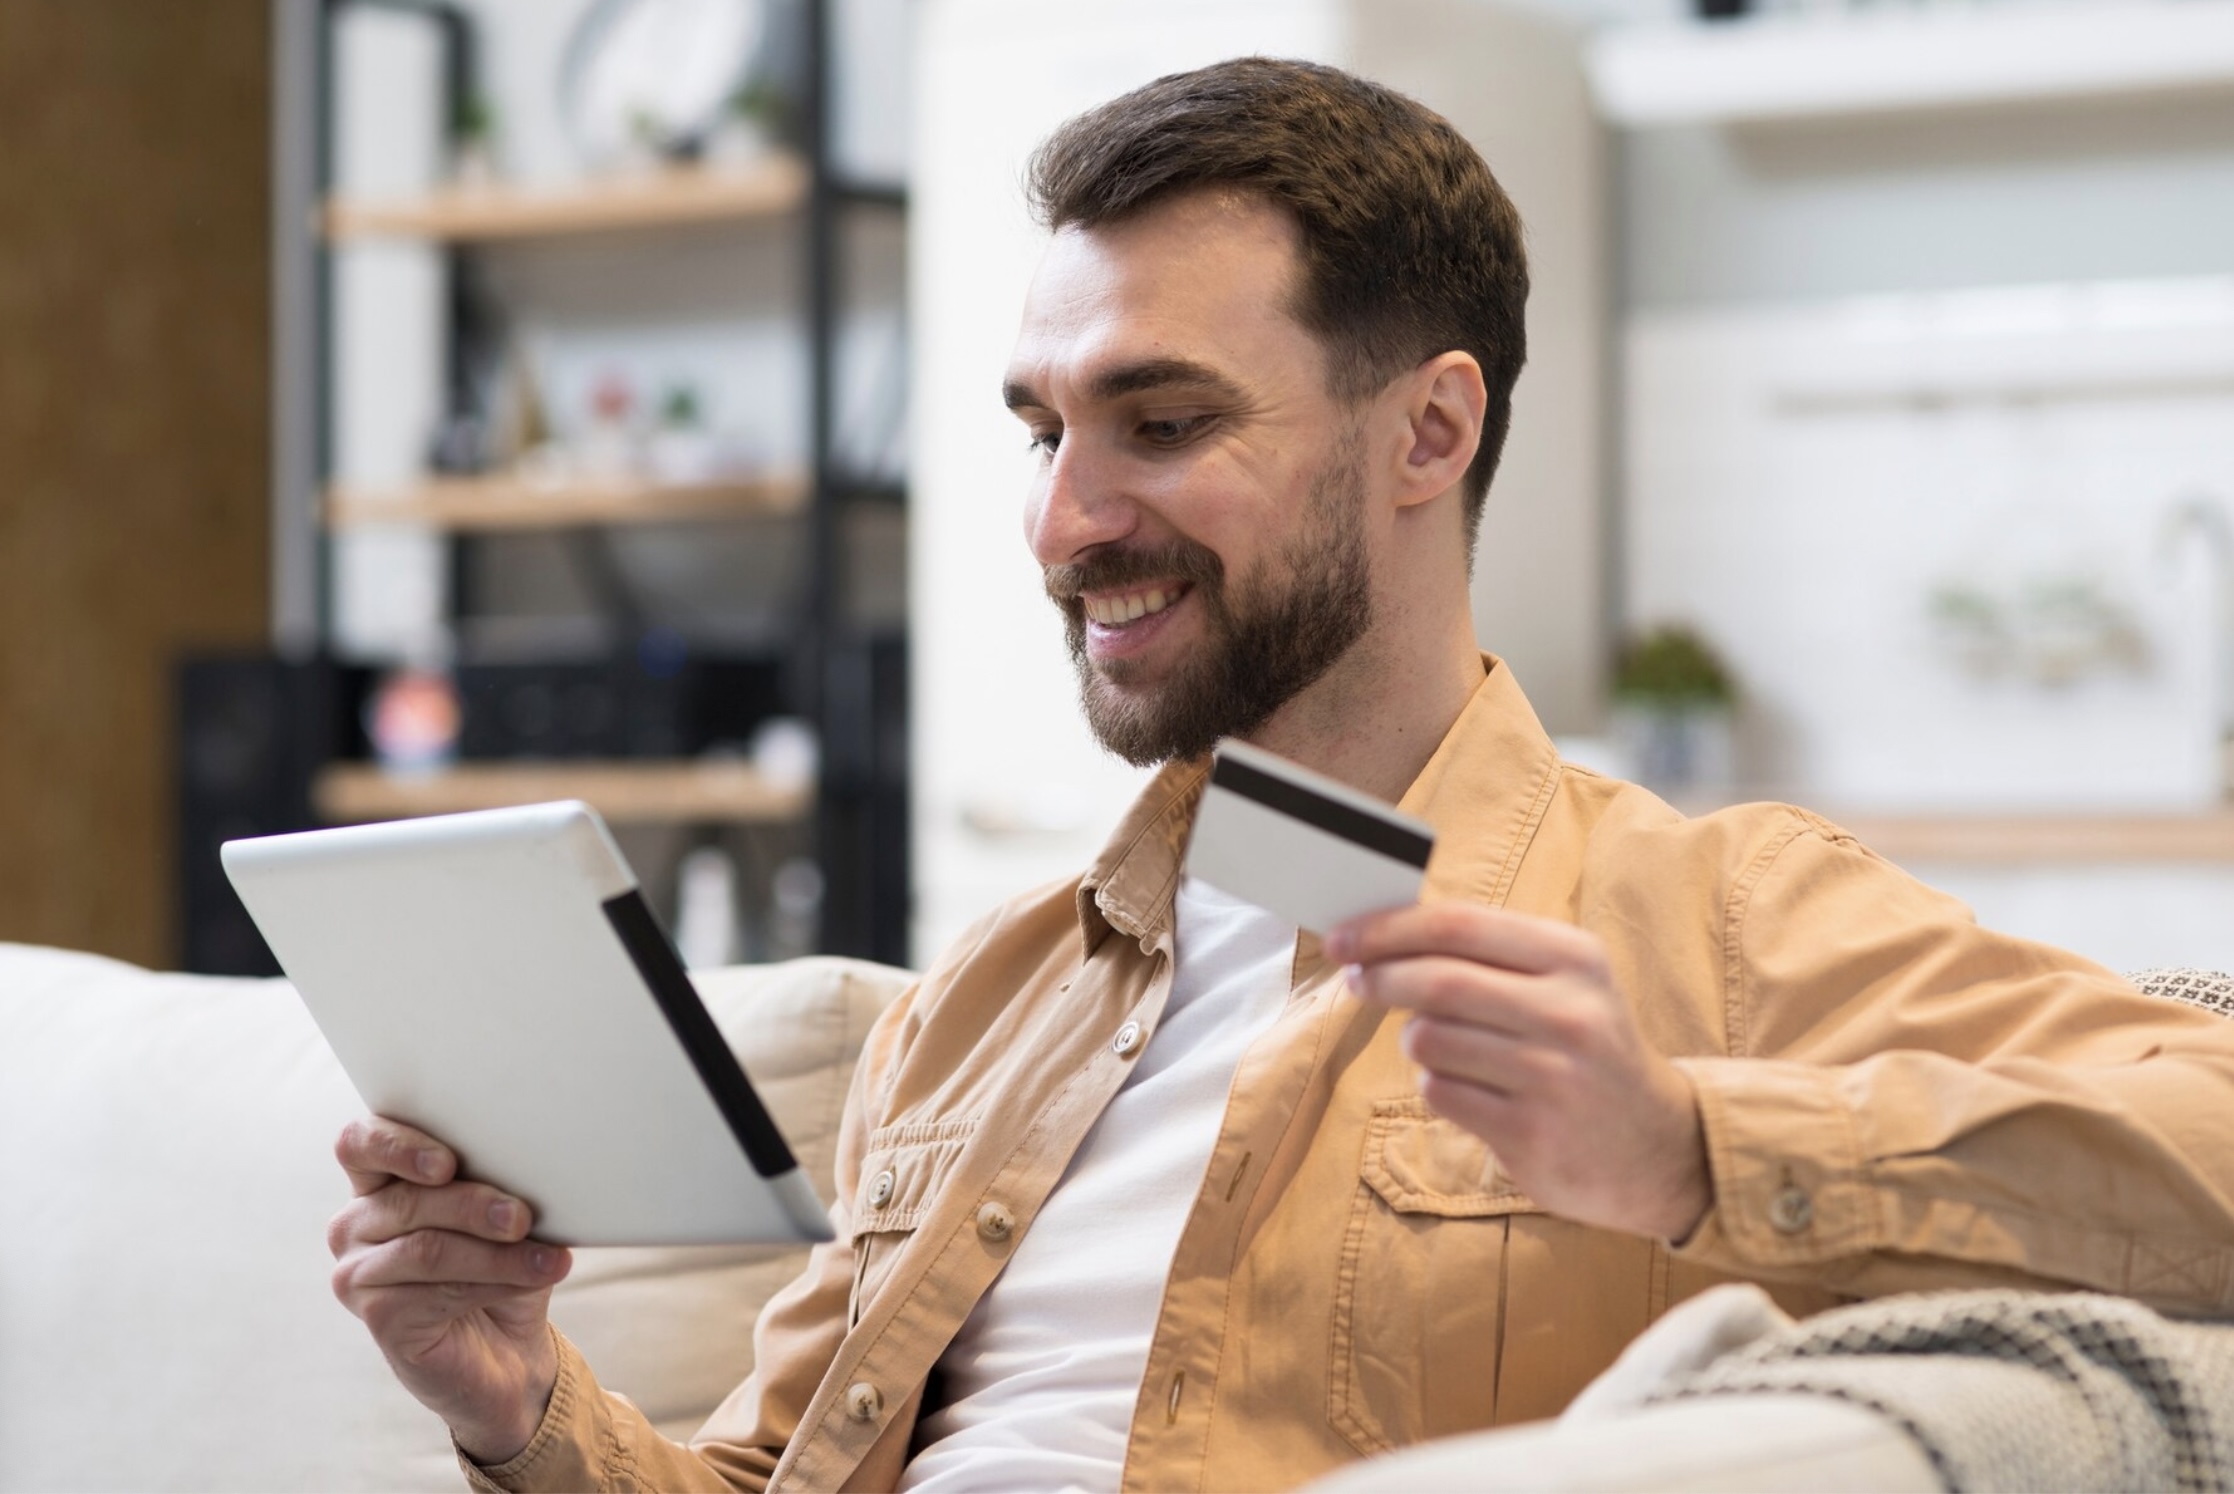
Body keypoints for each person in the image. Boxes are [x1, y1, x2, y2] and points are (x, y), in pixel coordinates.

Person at [328, 58, 2234, 1493]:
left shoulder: (1700, 916)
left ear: (1430, 426)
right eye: (1041, 430)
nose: (1064, 520)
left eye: (1161, 422)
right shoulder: (994, 995)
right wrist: (522, 1407)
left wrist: (1684, 1150)